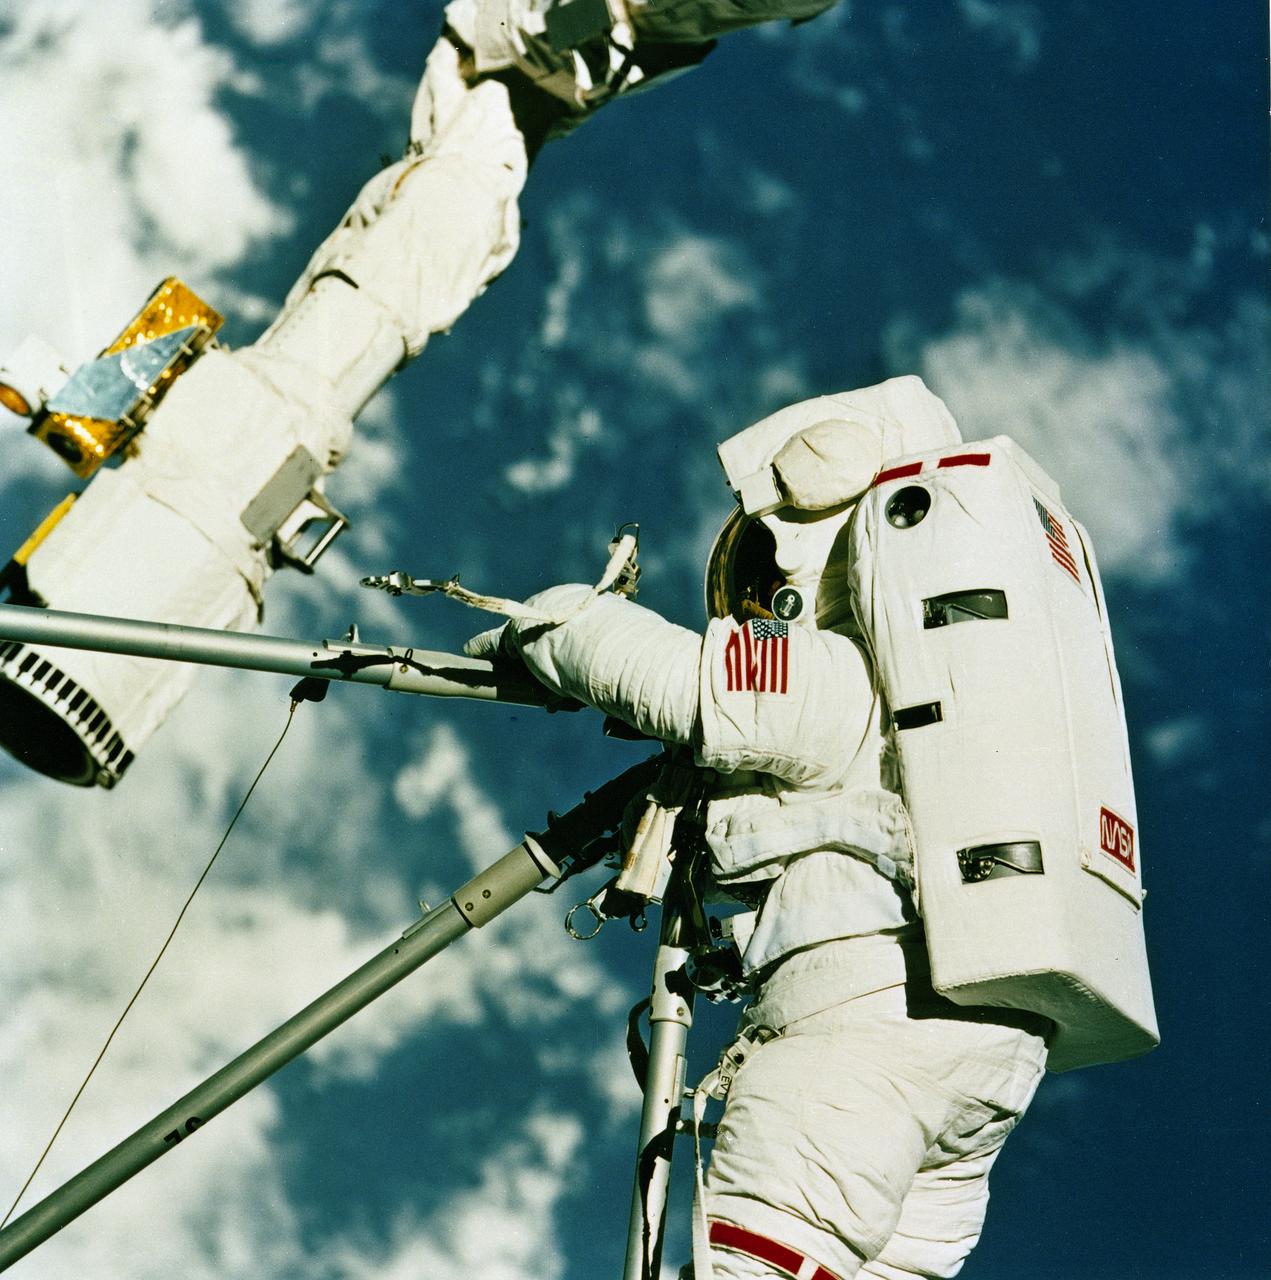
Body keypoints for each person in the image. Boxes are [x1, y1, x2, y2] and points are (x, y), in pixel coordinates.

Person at [466, 376, 1054, 1279]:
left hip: (861, 1039)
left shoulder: (847, 680)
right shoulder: (970, 709)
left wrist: (545, 625)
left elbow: (674, 680)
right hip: (986, 1072)